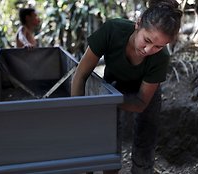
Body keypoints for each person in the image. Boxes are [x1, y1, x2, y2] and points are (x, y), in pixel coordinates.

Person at [71, 0, 182, 173]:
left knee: (145, 141)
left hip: (144, 94)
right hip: (112, 85)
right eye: (147, 40)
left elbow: (140, 103)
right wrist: (77, 111)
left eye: (158, 46)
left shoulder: (161, 58)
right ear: (138, 24)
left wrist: (110, 102)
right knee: (109, 136)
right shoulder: (112, 30)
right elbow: (81, 74)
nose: (148, 49)